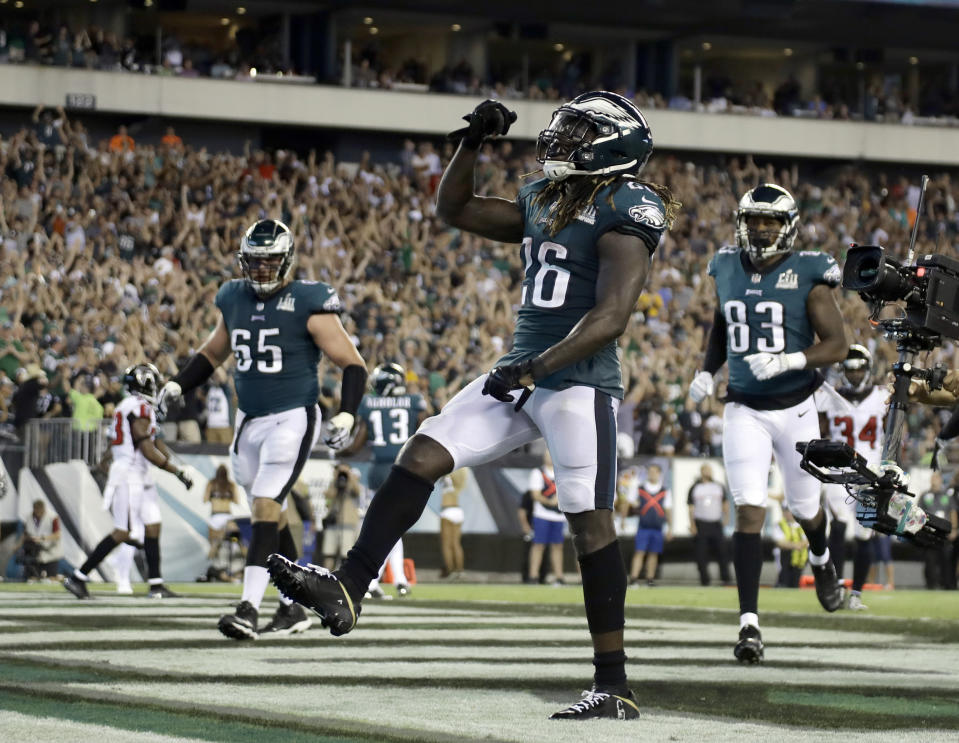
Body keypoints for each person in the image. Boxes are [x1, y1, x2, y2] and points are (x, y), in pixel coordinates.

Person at [269, 91, 679, 720]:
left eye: (576, 132)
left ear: (610, 144)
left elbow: (613, 317)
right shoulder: (547, 198)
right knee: (423, 452)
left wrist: (536, 367)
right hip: (521, 373)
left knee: (589, 522)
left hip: (578, 382)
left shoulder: (629, 205)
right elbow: (453, 207)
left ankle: (614, 684)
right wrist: (473, 142)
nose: (559, 140)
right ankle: (349, 585)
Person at [157, 219, 367, 639]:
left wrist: (346, 411)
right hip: (247, 420)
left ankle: (248, 608)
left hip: (292, 417)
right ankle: (293, 607)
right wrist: (180, 382)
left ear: (287, 261)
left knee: (266, 504)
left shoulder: (309, 299)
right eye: (254, 262)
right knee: (266, 513)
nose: (262, 271)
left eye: (270, 262)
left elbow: (352, 362)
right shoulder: (232, 296)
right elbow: (213, 352)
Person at [688, 182, 848, 664]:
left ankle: (821, 560)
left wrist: (788, 361)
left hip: (797, 408)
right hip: (743, 408)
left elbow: (837, 344)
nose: (759, 229)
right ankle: (749, 624)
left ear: (787, 226)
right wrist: (705, 369)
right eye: (753, 219)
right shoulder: (724, 265)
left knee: (805, 509)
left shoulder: (809, 272)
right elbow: (722, 324)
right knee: (749, 508)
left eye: (769, 221)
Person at [63, 364, 192, 600]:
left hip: (137, 474)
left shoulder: (133, 407)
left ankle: (156, 585)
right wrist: (177, 472)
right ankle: (78, 577)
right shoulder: (138, 408)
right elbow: (146, 448)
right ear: (146, 384)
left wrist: (107, 463)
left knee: (153, 526)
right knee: (123, 532)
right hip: (130, 475)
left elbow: (146, 441)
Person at [342, 362, 428, 597]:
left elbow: (357, 443)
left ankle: (377, 581)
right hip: (404, 468)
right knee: (393, 527)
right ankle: (394, 579)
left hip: (379, 470)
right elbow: (425, 430)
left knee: (382, 526)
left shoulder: (369, 404)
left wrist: (338, 451)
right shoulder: (414, 401)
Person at [819, 344, 886, 610]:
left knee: (864, 532)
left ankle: (856, 594)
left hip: (871, 471)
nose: (855, 374)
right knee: (838, 525)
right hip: (839, 470)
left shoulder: (882, 396)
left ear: (868, 370)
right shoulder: (830, 396)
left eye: (859, 369)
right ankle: (836, 587)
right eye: (850, 369)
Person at [624, 463, 672, 586]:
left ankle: (650, 578)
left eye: (655, 472)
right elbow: (628, 503)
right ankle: (633, 578)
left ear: (659, 474)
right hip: (643, 526)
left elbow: (668, 510)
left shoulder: (664, 491)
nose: (652, 474)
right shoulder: (640, 488)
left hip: (657, 527)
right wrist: (623, 520)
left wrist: (670, 528)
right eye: (650, 472)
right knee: (639, 552)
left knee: (654, 553)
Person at [687, 462, 731, 586]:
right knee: (701, 553)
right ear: (701, 471)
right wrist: (693, 525)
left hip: (716, 524)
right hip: (701, 524)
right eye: (706, 470)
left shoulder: (718, 486)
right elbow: (691, 508)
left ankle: (726, 579)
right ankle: (705, 580)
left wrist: (726, 517)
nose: (708, 472)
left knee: (722, 552)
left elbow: (725, 504)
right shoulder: (695, 487)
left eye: (710, 470)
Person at [526, 449, 566, 585]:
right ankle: (533, 576)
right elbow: (535, 494)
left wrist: (559, 500)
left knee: (558, 546)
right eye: (546, 453)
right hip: (542, 515)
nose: (548, 456)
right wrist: (550, 501)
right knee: (538, 545)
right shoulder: (538, 473)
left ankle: (559, 577)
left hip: (559, 517)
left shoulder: (562, 473)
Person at [919, 471, 956, 590]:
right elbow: (919, 513)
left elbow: (952, 512)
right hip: (930, 533)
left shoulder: (947, 495)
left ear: (940, 480)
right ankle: (931, 585)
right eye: (932, 478)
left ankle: (947, 585)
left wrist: (954, 529)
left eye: (936, 478)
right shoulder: (924, 495)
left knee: (947, 558)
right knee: (930, 559)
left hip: (944, 533)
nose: (934, 480)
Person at [204, 464, 240, 564]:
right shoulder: (231, 485)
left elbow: (205, 499)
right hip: (227, 517)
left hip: (215, 517)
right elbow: (237, 501)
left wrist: (215, 496)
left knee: (213, 544)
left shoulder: (211, 483)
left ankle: (213, 565)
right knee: (231, 542)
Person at [19, 499, 62, 580]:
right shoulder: (28, 517)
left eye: (40, 510)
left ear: (44, 509)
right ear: (34, 509)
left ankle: (60, 579)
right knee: (33, 577)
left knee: (51, 578)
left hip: (51, 552)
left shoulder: (52, 517)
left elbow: (58, 535)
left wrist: (43, 538)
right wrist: (18, 546)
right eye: (36, 510)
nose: (38, 513)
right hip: (35, 553)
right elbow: (25, 534)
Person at [439, 468, 467, 579]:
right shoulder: (461, 480)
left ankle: (450, 570)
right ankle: (460, 570)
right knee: (456, 544)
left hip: (447, 511)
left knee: (446, 545)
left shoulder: (448, 476)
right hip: (458, 511)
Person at [774, 506, 808, 587]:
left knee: (795, 582)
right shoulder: (780, 524)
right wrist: (796, 546)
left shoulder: (801, 525)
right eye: (786, 511)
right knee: (783, 579)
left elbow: (807, 540)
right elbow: (780, 542)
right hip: (785, 558)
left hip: (799, 560)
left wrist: (795, 545)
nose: (788, 514)